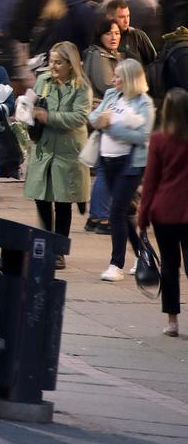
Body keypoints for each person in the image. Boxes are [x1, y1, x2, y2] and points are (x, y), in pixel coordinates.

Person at [24, 41, 92, 269]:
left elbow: (79, 118)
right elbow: (31, 104)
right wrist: (24, 111)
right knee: (41, 198)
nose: (53, 66)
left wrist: (48, 117)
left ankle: (59, 251)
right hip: (44, 149)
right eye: (51, 61)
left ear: (70, 64)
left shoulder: (82, 87)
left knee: (63, 202)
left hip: (67, 152)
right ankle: (43, 245)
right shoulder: (43, 81)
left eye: (58, 62)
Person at [88, 58, 155, 282]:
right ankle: (143, 255)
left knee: (115, 211)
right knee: (125, 211)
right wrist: (99, 119)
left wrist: (112, 127)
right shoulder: (111, 95)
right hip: (108, 160)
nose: (113, 79)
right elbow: (93, 117)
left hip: (130, 164)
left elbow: (143, 136)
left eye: (118, 76)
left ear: (129, 79)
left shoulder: (143, 103)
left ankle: (116, 264)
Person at [137, 87, 188, 338]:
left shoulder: (158, 140)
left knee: (169, 265)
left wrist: (142, 217)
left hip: (164, 212)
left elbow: (151, 182)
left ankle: (172, 321)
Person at [106, 0, 156, 67]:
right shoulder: (104, 39)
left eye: (128, 16)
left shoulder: (137, 36)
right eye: (121, 17)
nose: (126, 21)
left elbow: (154, 62)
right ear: (110, 17)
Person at [82, 18, 123, 104]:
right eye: (108, 33)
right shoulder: (99, 55)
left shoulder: (113, 53)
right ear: (100, 36)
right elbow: (107, 87)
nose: (114, 38)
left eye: (117, 33)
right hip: (100, 106)